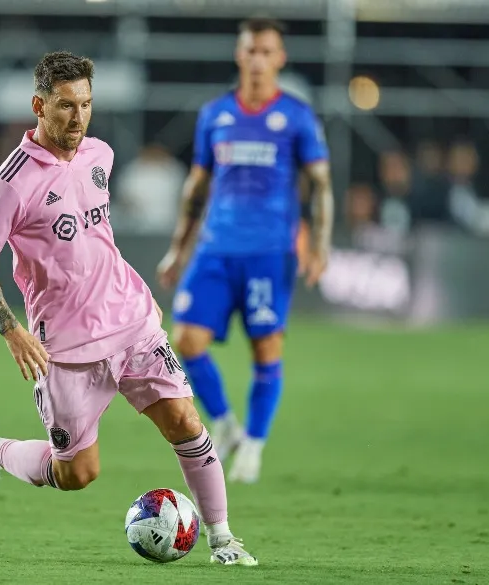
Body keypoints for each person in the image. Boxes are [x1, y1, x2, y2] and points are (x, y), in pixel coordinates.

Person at [0, 51, 257, 567]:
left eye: (86, 105)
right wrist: (11, 329)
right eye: (65, 106)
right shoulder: (9, 183)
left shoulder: (100, 154)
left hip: (132, 325)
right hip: (67, 348)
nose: (77, 118)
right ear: (38, 105)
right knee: (77, 474)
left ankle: (223, 539)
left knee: (186, 421)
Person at [157, 18, 334, 484]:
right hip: (216, 248)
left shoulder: (296, 116)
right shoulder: (215, 114)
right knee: (185, 340)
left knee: (265, 348)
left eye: (266, 51)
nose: (257, 59)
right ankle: (227, 424)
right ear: (239, 56)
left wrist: (320, 244)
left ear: (280, 58)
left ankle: (252, 448)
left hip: (269, 252)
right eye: (250, 50)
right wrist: (178, 249)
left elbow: (320, 184)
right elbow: (197, 186)